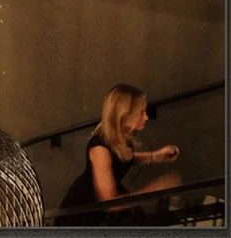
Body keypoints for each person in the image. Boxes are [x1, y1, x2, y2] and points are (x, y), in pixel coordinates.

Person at [57, 83, 181, 225]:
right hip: (86, 212)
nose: (146, 117)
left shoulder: (121, 135)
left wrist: (155, 156)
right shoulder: (99, 149)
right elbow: (110, 203)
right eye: (141, 112)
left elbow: (122, 158)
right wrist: (156, 188)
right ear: (124, 114)